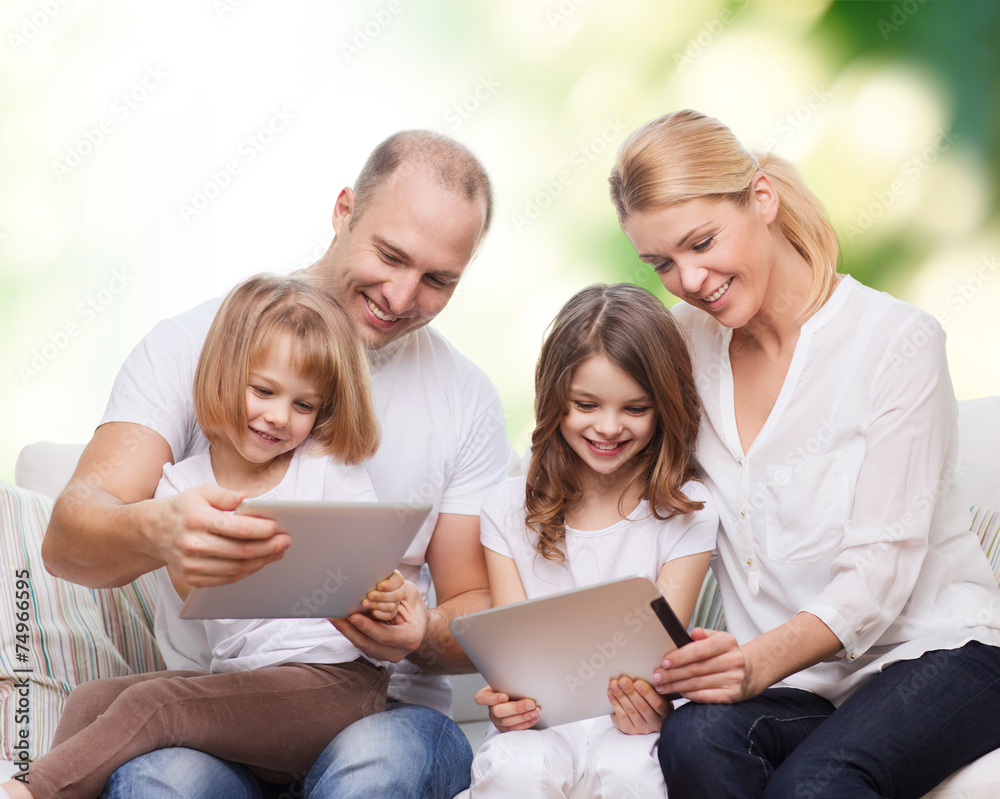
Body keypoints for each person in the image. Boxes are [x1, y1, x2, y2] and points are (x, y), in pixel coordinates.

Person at [42, 131, 513, 799]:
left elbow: (474, 609)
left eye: (438, 280)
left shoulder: (464, 397)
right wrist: (159, 530)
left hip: (381, 709)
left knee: (378, 766)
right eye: (390, 255)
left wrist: (418, 630)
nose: (403, 295)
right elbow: (69, 537)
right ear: (343, 209)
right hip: (221, 709)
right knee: (158, 779)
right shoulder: (194, 347)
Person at [607, 108, 1000, 798]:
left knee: (814, 784)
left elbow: (880, 575)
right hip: (802, 682)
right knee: (692, 737)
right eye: (662, 262)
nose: (690, 279)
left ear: (762, 198)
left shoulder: (897, 342)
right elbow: (631, 500)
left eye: (702, 242)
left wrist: (754, 663)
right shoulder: (684, 345)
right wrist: (613, 670)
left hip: (938, 653)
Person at [3, 273, 408, 799]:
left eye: (303, 405)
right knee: (93, 698)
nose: (278, 417)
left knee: (158, 705)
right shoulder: (181, 484)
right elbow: (199, 596)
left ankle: (29, 792)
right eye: (263, 390)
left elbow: (373, 573)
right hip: (247, 686)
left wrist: (390, 596)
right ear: (222, 374)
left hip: (336, 684)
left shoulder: (329, 469)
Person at [470, 283, 718, 797]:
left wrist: (652, 704)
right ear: (555, 400)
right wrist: (509, 702)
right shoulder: (505, 507)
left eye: (635, 408)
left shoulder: (687, 508)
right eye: (586, 404)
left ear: (664, 406)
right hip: (539, 726)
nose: (608, 428)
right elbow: (513, 658)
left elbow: (660, 660)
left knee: (633, 775)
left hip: (633, 725)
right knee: (516, 769)